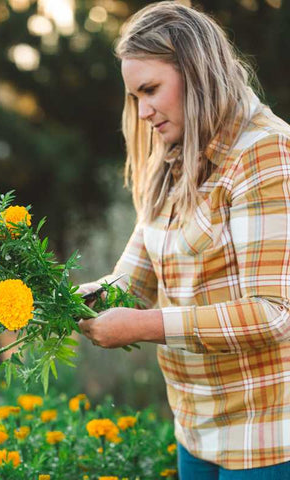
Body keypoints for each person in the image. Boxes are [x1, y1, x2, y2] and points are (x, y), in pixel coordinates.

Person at [77, 2, 290, 479]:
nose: (143, 111)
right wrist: (50, 300)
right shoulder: (172, 161)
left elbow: (275, 312)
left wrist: (143, 326)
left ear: (197, 72)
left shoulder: (265, 154)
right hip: (194, 426)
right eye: (134, 96)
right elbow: (130, 285)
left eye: (151, 90)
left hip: (268, 433)